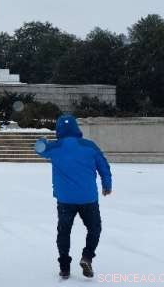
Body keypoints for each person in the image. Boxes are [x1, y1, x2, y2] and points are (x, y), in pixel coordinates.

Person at [35, 114, 112, 279]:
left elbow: (38, 149)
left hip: (65, 199)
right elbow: (103, 165)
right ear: (77, 128)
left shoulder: (55, 148)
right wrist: (107, 183)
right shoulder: (90, 146)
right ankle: (87, 257)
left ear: (59, 129)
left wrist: (42, 140)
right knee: (94, 228)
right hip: (88, 198)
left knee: (64, 232)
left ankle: (64, 267)